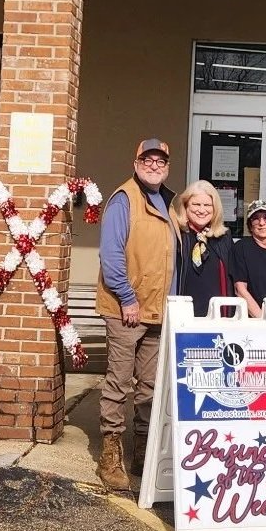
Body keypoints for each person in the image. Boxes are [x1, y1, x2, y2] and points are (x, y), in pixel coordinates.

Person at [94, 138, 178, 491]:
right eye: (147, 159)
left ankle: (143, 449)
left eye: (160, 161)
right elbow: (111, 254)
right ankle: (110, 454)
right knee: (119, 382)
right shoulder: (124, 199)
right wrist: (127, 298)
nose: (154, 165)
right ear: (136, 163)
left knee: (149, 386)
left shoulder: (168, 202)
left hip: (157, 311)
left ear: (167, 167)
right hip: (127, 310)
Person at [171, 181, 234, 306]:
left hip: (217, 311)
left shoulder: (224, 237)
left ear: (215, 208)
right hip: (182, 308)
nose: (201, 210)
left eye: (207, 205)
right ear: (186, 206)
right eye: (196, 204)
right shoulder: (176, 234)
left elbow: (232, 277)